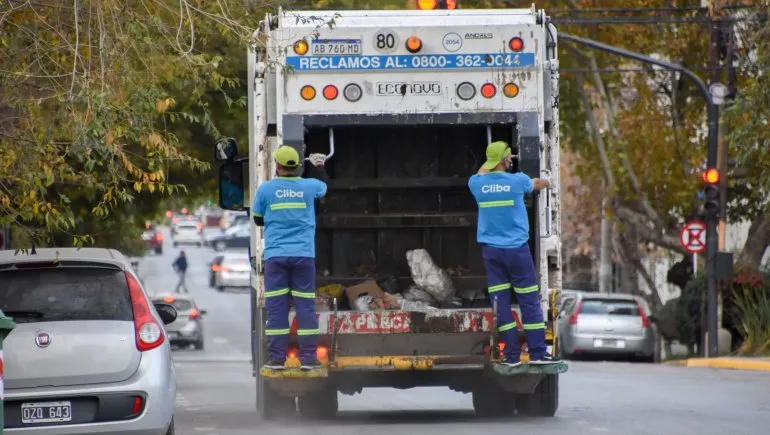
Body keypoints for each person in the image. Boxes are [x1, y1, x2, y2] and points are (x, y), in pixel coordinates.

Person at [468, 140, 559, 367]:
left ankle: (511, 356)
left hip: (492, 253)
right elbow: (537, 184)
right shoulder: (517, 181)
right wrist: (549, 182)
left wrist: (492, 161)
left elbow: (481, 173)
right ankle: (537, 353)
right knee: (529, 300)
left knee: (501, 304)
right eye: (509, 157)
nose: (511, 160)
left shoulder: (476, 184)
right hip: (517, 252)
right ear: (504, 159)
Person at [252, 145, 328, 371]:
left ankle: (277, 360)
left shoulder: (266, 190)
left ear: (277, 165)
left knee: (277, 309)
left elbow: (258, 219)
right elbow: (324, 187)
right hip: (303, 256)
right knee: (305, 307)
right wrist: (319, 166)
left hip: (276, 257)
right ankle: (308, 359)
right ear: (298, 166)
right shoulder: (309, 186)